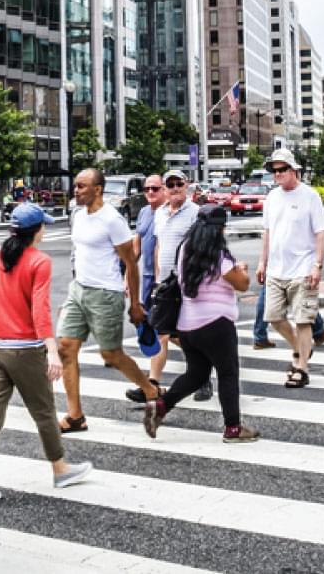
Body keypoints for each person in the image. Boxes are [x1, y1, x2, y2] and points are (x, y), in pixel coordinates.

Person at [0, 203, 93, 505]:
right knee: (44, 412)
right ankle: (60, 468)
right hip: (25, 350)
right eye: (43, 226)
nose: (45, 230)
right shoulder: (39, 261)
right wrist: (51, 349)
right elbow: (40, 310)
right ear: (36, 230)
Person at [144, 204, 259, 443]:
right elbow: (242, 284)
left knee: (196, 374)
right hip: (217, 323)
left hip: (188, 325)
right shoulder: (219, 256)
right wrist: (242, 270)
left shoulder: (184, 248)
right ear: (220, 229)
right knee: (228, 374)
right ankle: (233, 429)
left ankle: (162, 406)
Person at [57, 168, 157, 433]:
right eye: (75, 186)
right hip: (78, 289)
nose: (76, 190)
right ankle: (75, 416)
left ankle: (150, 390)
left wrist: (135, 304)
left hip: (106, 294)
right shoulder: (78, 215)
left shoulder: (112, 220)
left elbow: (130, 263)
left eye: (81, 186)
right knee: (66, 348)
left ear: (97, 189)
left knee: (111, 355)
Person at [255, 149, 324, 388]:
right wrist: (262, 262)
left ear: (293, 170)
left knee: (303, 320)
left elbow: (320, 233)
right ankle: (300, 348)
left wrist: (317, 265)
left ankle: (302, 368)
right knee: (273, 317)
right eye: (274, 171)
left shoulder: (310, 196)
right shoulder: (272, 198)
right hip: (276, 269)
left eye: (282, 169)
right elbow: (268, 232)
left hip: (303, 269)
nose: (277, 174)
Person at [135, 169, 205, 402]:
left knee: (188, 335)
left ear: (187, 186)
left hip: (187, 283)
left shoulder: (196, 213)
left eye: (179, 183)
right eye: (170, 184)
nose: (175, 188)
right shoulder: (160, 214)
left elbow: (203, 247)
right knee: (161, 333)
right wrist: (156, 278)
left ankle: (203, 376)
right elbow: (158, 247)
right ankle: (152, 384)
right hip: (165, 284)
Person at [133, 174, 165, 309]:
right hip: (147, 275)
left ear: (163, 189)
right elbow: (136, 247)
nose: (150, 192)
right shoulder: (143, 212)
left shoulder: (168, 212)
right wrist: (126, 277)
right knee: (144, 316)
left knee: (162, 321)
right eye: (147, 189)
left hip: (165, 277)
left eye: (155, 188)